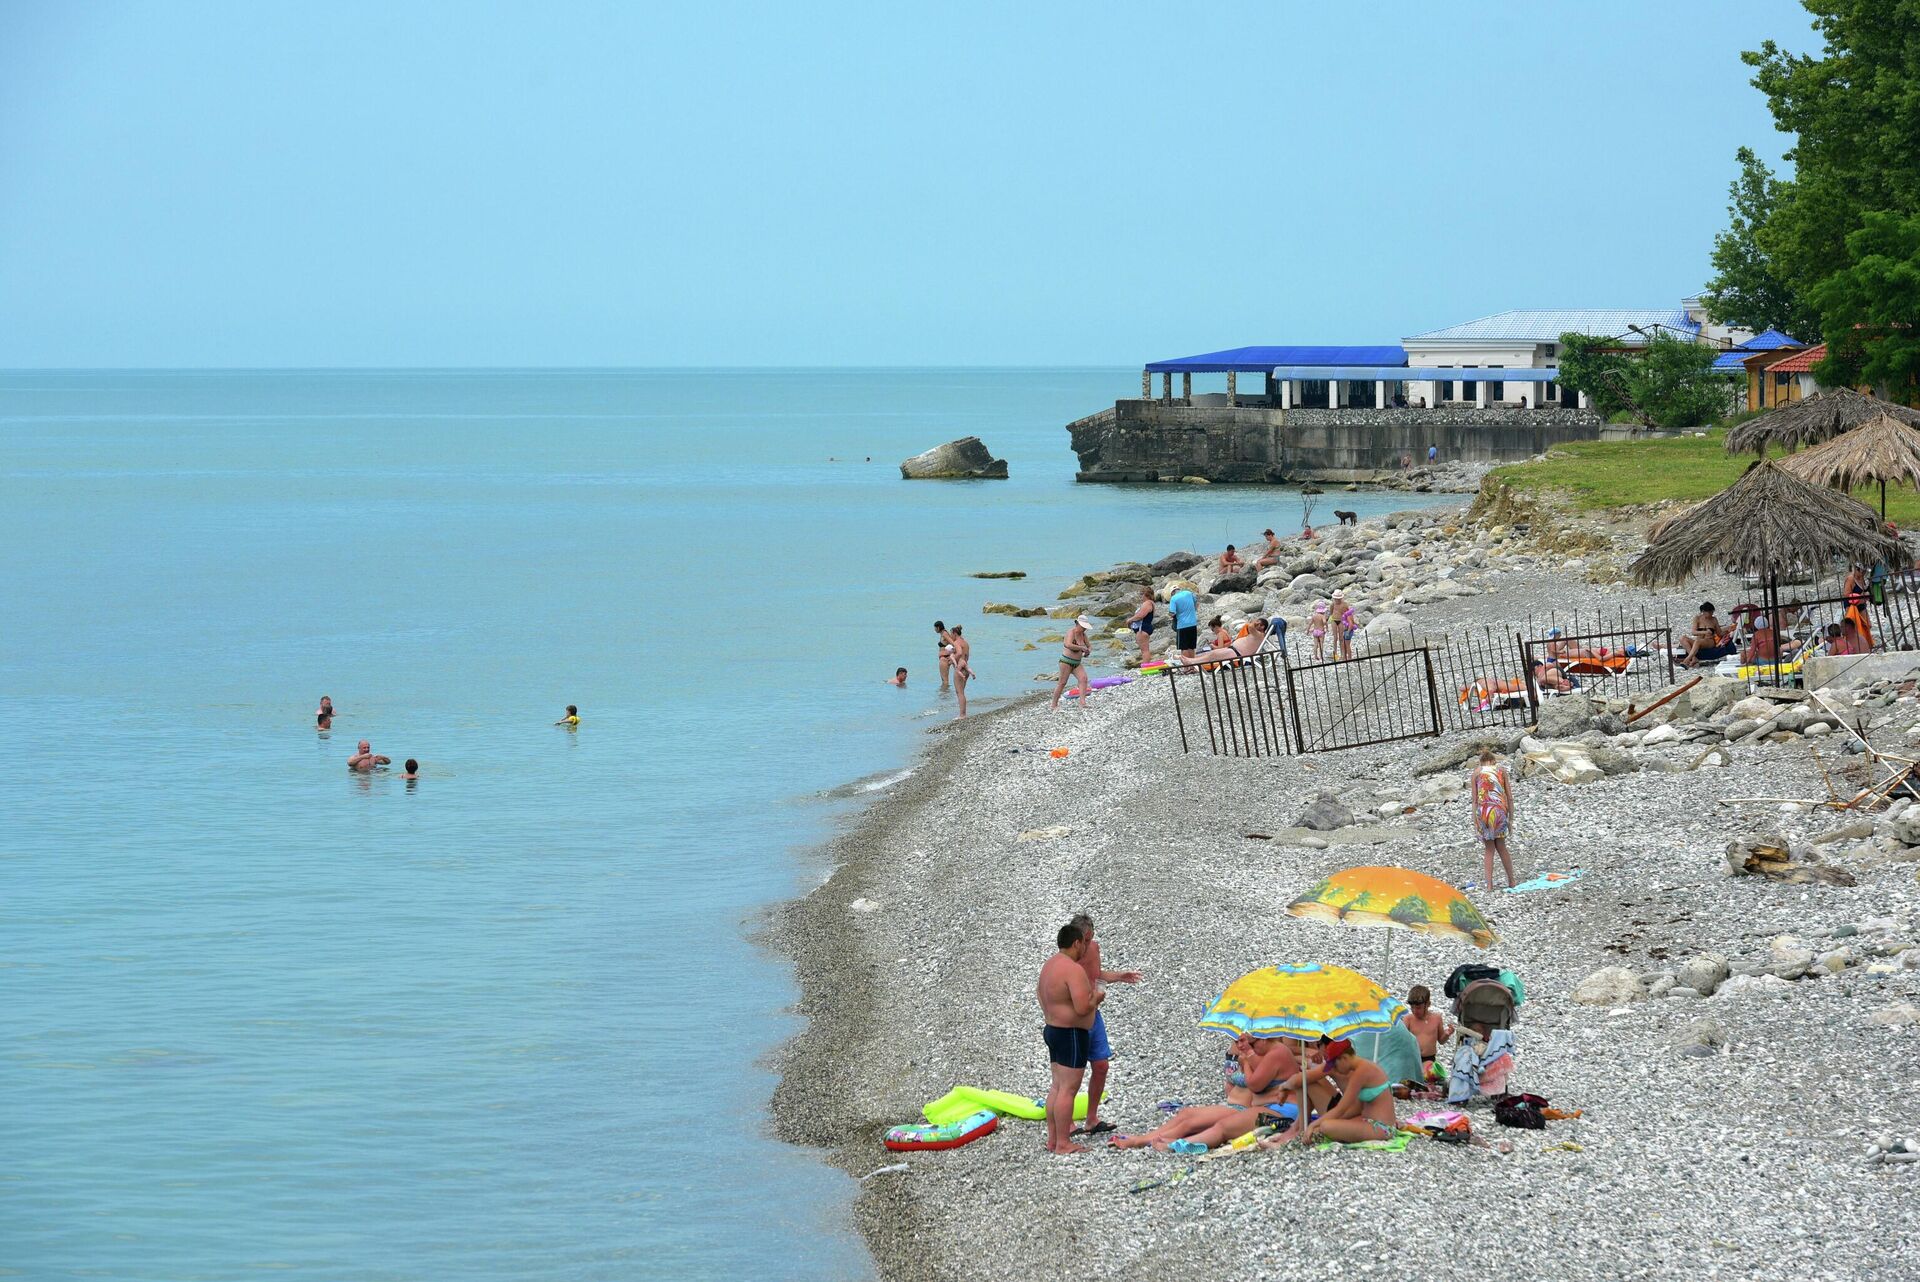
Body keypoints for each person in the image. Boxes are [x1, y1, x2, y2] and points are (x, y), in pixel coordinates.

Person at [1110, 1034, 1332, 1152]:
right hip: (1259, 1107)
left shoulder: (1276, 1052)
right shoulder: (1262, 1052)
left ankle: (1177, 1146)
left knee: (1223, 1128)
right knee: (1187, 1114)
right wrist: (1248, 1058)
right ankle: (1143, 1140)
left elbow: (1254, 1084)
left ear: (1263, 1039)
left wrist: (1246, 1061)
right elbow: (1236, 1076)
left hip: (1280, 1112)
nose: (1246, 1046)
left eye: (1251, 1043)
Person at [1067, 914, 1141, 1139]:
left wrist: (1119, 976)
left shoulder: (1094, 949)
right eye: (1084, 940)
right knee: (1071, 1073)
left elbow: (1096, 976)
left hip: (1093, 1014)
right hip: (1073, 1018)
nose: (1087, 944)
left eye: (1091, 939)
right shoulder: (1065, 957)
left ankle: (1092, 1119)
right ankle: (1066, 1122)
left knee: (1101, 1066)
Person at [1037, 921, 1104, 1155]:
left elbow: (1040, 995)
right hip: (1071, 1034)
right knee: (1068, 1090)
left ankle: (1053, 1140)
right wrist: (1096, 998)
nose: (1085, 950)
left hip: (1052, 1030)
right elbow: (1082, 1007)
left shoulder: (1049, 966)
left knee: (1056, 1087)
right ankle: (1064, 1143)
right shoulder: (1072, 969)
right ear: (1076, 943)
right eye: (1083, 945)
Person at [1278, 1038, 1397, 1145]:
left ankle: (1297, 1134)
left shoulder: (1361, 1072)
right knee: (1320, 1128)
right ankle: (1298, 1132)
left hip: (1382, 1128)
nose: (1335, 1069)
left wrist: (1313, 1125)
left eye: (1335, 1065)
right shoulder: (1362, 1067)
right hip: (1367, 1119)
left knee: (1325, 1126)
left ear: (1344, 1058)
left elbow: (1341, 1108)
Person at [1471, 749, 1516, 892]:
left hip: (1483, 812)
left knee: (1489, 849)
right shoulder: (1501, 771)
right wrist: (1511, 819)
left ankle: (1489, 885)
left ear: (1481, 761)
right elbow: (1509, 796)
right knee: (1501, 846)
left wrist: (1475, 821)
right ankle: (1511, 881)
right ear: (1493, 761)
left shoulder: (1476, 773)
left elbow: (1474, 800)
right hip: (1499, 811)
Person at [1404, 985, 1454, 1073]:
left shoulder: (1436, 1018)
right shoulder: (1408, 1019)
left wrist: (1447, 1034)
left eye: (1418, 1008)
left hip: (1429, 1058)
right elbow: (1401, 1040)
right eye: (1412, 1007)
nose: (1415, 1011)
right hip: (1412, 1058)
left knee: (1428, 1078)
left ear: (1428, 1004)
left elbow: (1441, 1041)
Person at [1178, 618, 1268, 666]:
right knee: (1212, 653)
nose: (1256, 624)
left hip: (1237, 654)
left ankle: (1192, 662)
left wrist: (1254, 621)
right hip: (1233, 650)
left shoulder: (1259, 635)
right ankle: (1191, 660)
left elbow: (1250, 627)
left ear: (1262, 627)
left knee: (1212, 655)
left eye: (1258, 624)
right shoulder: (1257, 634)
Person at [1050, 615, 1092, 710]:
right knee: (1062, 683)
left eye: (1085, 627)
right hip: (1066, 662)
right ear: (1077, 624)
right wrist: (1081, 648)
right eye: (1083, 626)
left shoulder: (1084, 635)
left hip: (1077, 663)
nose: (1084, 629)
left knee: (1083, 679)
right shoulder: (1071, 632)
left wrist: (1088, 651)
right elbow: (1068, 644)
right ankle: (1054, 705)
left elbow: (1089, 646)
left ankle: (1082, 703)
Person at [1125, 588, 1155, 666]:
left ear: (1146, 595)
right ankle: (1146, 665)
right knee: (1145, 650)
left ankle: (1145, 666)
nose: (1141, 597)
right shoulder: (1150, 603)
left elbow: (1141, 615)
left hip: (1143, 628)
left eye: (1142, 594)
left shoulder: (1147, 603)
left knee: (1144, 651)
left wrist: (1130, 620)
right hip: (1145, 627)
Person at [1168, 585, 1200, 658]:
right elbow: (1196, 602)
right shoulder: (1188, 593)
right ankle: (1193, 665)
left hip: (1182, 625)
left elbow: (1172, 613)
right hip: (1193, 623)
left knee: (1184, 647)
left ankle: (1186, 667)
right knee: (1191, 647)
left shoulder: (1173, 599)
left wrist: (1170, 615)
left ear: (1172, 593)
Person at [949, 624, 973, 717]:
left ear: (955, 633)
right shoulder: (966, 643)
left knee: (960, 693)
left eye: (951, 634)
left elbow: (959, 653)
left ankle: (962, 715)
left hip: (960, 669)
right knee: (961, 692)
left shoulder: (956, 642)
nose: (951, 636)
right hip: (966, 668)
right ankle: (963, 713)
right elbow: (967, 657)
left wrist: (951, 660)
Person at [1332, 591, 1357, 661]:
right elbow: (1331, 612)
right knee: (1336, 638)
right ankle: (1339, 655)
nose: (1337, 600)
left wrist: (1348, 630)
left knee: (1344, 641)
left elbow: (1351, 622)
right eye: (1336, 599)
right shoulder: (1333, 604)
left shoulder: (1346, 609)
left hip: (1344, 625)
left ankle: (1346, 656)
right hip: (1335, 620)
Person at [934, 621, 954, 692]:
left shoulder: (945, 634)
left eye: (935, 628)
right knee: (944, 679)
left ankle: (944, 697)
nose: (934, 629)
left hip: (944, 658)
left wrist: (952, 655)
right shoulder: (943, 634)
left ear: (938, 627)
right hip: (944, 658)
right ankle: (946, 697)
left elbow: (953, 644)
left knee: (945, 680)